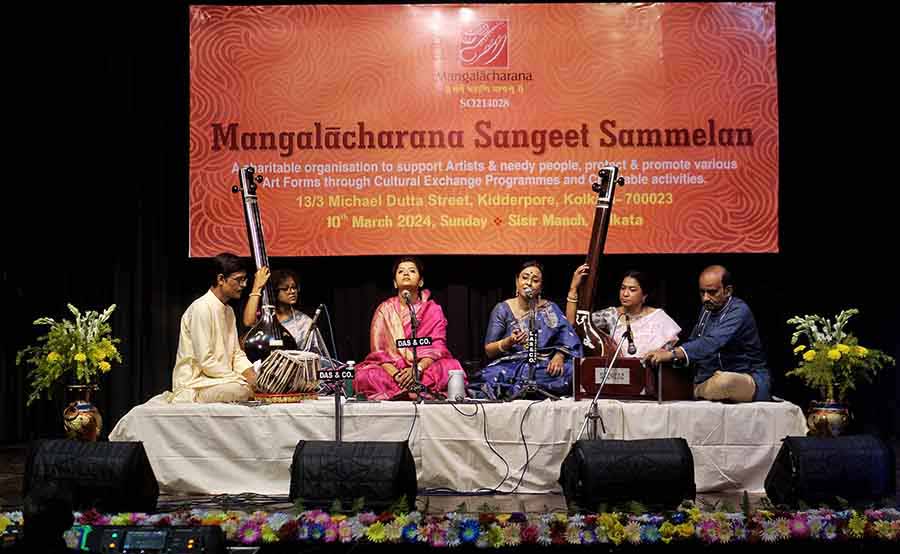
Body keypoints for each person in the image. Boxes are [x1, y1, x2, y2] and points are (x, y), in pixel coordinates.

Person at [643, 265, 771, 402]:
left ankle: (694, 391)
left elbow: (712, 342)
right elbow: (694, 342)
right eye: (702, 292)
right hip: (708, 378)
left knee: (724, 382)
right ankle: (696, 389)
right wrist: (666, 350)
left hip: (745, 378)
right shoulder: (707, 310)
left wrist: (672, 354)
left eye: (712, 292)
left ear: (727, 291)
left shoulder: (739, 311)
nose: (705, 298)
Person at [353, 257, 464, 400]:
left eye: (412, 271)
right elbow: (378, 352)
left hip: (423, 369)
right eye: (401, 271)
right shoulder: (384, 309)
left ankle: (402, 392)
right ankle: (413, 390)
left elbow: (437, 347)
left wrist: (417, 369)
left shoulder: (433, 309)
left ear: (421, 281)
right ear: (394, 283)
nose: (406, 274)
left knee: (451, 367)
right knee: (364, 375)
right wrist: (396, 374)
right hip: (393, 371)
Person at [476, 260, 583, 398]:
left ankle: (524, 389)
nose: (529, 283)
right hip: (512, 365)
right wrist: (509, 342)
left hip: (544, 366)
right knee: (492, 376)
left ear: (541, 287)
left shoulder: (549, 308)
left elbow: (567, 335)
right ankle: (525, 388)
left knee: (573, 372)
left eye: (535, 280)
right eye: (524, 277)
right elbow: (489, 350)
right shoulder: (503, 309)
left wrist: (559, 356)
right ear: (516, 282)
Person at [166, 252, 256, 403]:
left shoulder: (229, 311)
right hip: (196, 385)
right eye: (239, 280)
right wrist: (239, 379)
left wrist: (251, 374)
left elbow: (236, 353)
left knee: (256, 385)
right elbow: (206, 361)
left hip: (222, 380)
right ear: (221, 279)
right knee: (239, 390)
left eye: (245, 279)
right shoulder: (201, 308)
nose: (244, 285)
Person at [566, 264, 681, 357]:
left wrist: (661, 354)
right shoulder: (611, 315)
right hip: (619, 374)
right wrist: (573, 288)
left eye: (632, 290)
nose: (625, 294)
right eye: (622, 288)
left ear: (644, 295)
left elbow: (670, 350)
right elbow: (573, 324)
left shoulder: (658, 317)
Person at [242, 267, 333, 364]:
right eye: (286, 288)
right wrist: (257, 287)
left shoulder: (305, 322)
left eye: (294, 287)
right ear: (275, 291)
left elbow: (317, 356)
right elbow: (248, 322)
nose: (292, 291)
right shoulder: (265, 318)